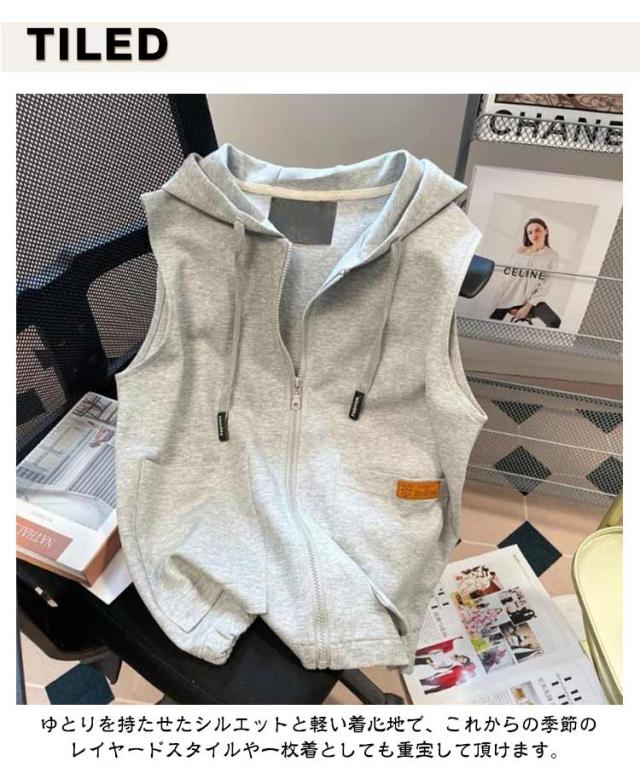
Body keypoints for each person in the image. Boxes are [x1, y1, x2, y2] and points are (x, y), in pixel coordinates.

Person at [490, 217, 560, 324]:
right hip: (510, 297)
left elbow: (546, 285)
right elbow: (508, 279)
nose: (534, 235)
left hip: (532, 302)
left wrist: (527, 307)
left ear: (546, 231)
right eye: (530, 233)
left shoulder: (552, 256)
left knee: (554, 321)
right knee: (491, 322)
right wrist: (504, 303)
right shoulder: (520, 252)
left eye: (538, 230)